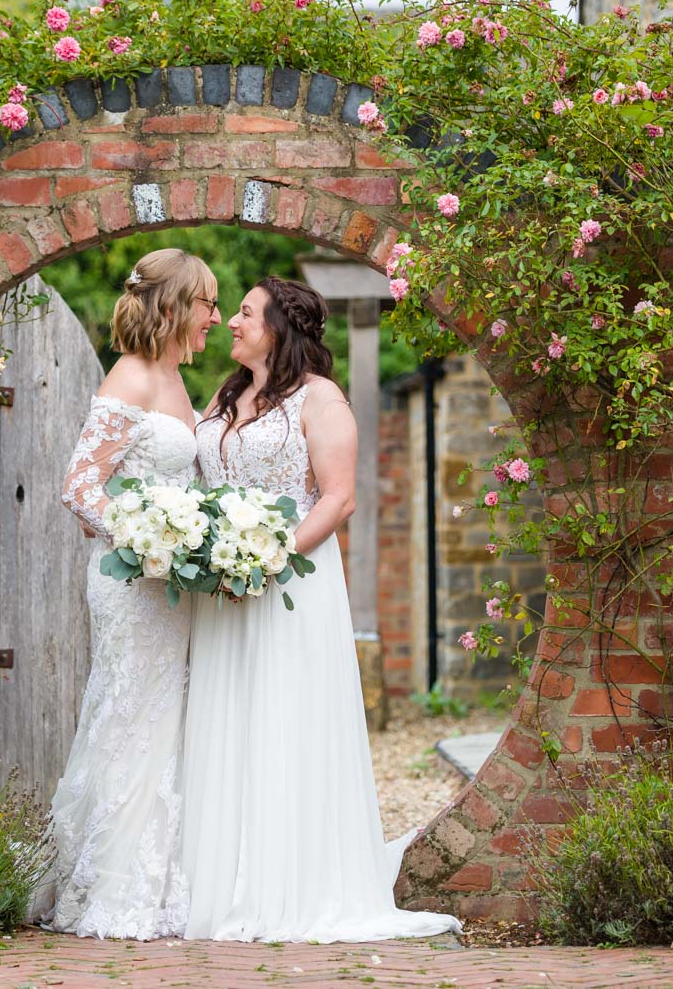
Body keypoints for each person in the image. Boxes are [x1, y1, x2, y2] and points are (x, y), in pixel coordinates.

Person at [181, 276, 461, 943]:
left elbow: (337, 499)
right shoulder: (227, 394)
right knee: (230, 722)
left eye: (245, 313)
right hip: (225, 590)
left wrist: (265, 559)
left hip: (290, 585)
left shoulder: (320, 397)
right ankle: (229, 882)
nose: (232, 322)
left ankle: (294, 885)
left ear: (280, 325)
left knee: (285, 720)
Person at [33, 247, 221, 939]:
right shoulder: (132, 376)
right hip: (130, 581)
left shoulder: (174, 376)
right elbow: (80, 486)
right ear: (173, 307)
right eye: (207, 302)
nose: (217, 316)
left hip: (169, 586)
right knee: (129, 713)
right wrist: (145, 540)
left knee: (163, 717)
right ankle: (113, 888)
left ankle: (163, 877)